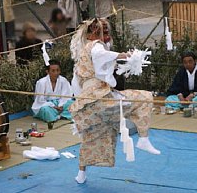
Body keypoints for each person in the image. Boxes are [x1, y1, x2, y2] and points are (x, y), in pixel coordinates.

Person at [69, 18, 160, 184]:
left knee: (92, 136)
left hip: (90, 103)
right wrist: (123, 55)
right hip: (99, 99)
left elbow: (78, 82)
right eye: (104, 30)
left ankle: (81, 174)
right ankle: (143, 138)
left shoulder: (85, 52)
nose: (106, 33)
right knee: (145, 97)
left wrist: (80, 104)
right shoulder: (95, 47)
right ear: (96, 32)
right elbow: (100, 56)